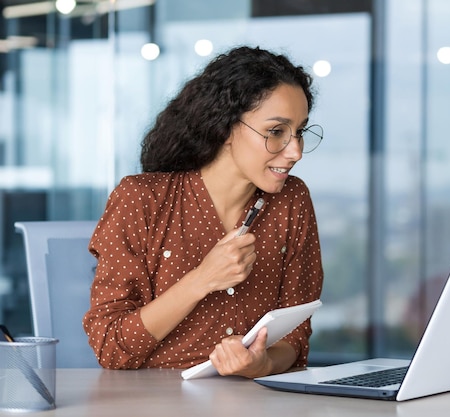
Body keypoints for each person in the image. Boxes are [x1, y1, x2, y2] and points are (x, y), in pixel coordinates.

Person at [82, 46, 324, 378]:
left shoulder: (292, 200)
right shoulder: (141, 199)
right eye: (276, 132)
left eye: (299, 132)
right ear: (225, 127)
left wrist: (263, 364)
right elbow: (111, 347)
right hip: (149, 402)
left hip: (256, 403)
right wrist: (201, 280)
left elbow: (296, 336)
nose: (295, 150)